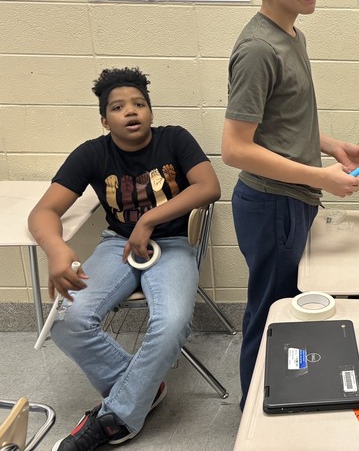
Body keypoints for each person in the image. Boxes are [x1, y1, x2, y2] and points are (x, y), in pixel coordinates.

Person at [221, 0, 359, 409]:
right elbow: (235, 149)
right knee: (272, 314)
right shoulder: (258, 49)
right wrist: (321, 177)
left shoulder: (291, 33)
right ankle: (255, 423)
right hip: (272, 204)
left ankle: (285, 403)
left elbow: (279, 125)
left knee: (289, 307)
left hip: (293, 198)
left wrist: (331, 147)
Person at [28, 67, 221, 451]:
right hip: (116, 244)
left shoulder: (175, 139)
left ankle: (115, 418)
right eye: (118, 107)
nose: (130, 112)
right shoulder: (91, 153)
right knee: (66, 320)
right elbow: (43, 212)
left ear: (150, 111)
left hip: (174, 245)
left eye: (139, 104)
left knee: (172, 324)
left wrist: (148, 219)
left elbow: (209, 186)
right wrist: (56, 249)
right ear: (105, 119)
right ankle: (141, 392)